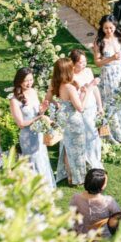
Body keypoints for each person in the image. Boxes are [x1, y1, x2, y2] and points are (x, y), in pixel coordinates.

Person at [44, 58, 94, 186]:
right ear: (67, 70)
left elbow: (47, 100)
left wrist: (59, 104)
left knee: (67, 148)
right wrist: (87, 92)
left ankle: (70, 177)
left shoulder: (54, 84)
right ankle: (78, 178)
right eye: (71, 67)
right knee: (77, 149)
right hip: (74, 120)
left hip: (63, 119)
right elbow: (80, 108)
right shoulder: (69, 87)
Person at [8, 67, 56, 190]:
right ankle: (34, 189)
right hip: (27, 137)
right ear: (19, 81)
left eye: (31, 80)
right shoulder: (14, 100)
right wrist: (40, 118)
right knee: (33, 161)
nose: (29, 83)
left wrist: (43, 109)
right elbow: (21, 123)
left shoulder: (33, 92)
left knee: (42, 158)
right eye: (26, 81)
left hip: (38, 133)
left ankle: (45, 188)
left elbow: (37, 113)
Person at [93, 14, 121, 144]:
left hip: (120, 75)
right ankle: (112, 134)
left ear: (115, 26)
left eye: (111, 28)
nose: (109, 31)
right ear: (102, 28)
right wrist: (111, 58)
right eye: (106, 28)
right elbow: (97, 63)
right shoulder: (99, 42)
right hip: (108, 76)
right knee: (111, 106)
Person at [70, 168, 121, 236]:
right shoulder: (108, 202)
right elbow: (120, 218)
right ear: (101, 187)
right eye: (105, 183)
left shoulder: (76, 198)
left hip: (82, 236)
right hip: (103, 237)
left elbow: (72, 217)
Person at [70, 48, 103, 168]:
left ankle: (95, 157)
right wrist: (86, 89)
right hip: (82, 108)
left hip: (92, 105)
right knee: (89, 133)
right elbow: (74, 97)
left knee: (94, 133)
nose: (84, 64)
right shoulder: (71, 76)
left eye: (85, 61)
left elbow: (95, 89)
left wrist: (100, 106)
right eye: (80, 62)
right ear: (73, 63)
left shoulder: (89, 71)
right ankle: (89, 159)